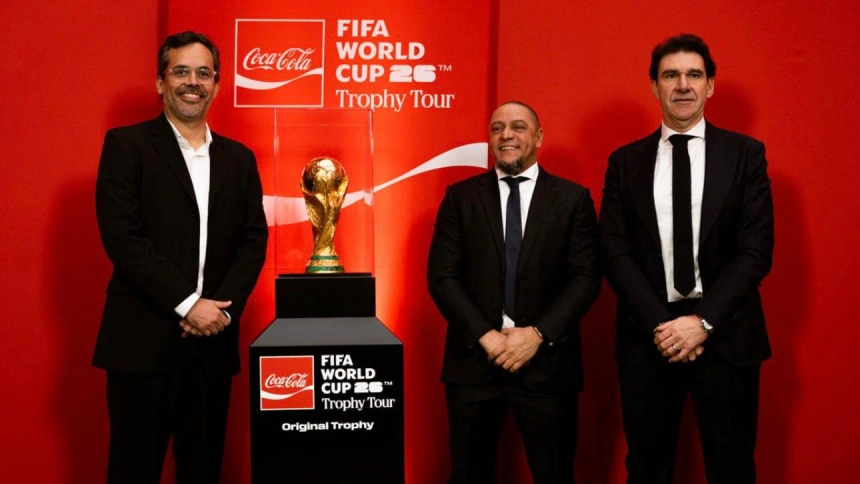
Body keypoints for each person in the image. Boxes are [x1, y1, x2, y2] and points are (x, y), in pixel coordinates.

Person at [93, 31, 268, 484]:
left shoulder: (240, 159)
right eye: (182, 72)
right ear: (160, 82)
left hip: (212, 344)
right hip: (141, 344)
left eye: (204, 73)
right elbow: (123, 238)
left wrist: (221, 312)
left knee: (203, 471)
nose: (194, 82)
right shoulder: (126, 146)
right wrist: (190, 304)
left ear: (218, 84)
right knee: (133, 470)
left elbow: (253, 241)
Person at [599, 34, 774, 483]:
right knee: (647, 468)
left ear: (710, 85)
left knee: (732, 467)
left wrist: (701, 323)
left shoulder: (746, 156)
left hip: (726, 333)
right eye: (670, 75)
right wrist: (664, 325)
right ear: (654, 86)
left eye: (694, 75)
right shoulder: (624, 163)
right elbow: (614, 251)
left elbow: (755, 252)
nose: (682, 85)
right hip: (649, 336)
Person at [428, 101, 600, 483]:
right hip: (474, 364)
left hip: (548, 366)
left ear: (538, 137)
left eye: (518, 127)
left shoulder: (573, 200)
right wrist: (485, 336)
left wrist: (537, 335)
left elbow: (586, 278)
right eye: (497, 128)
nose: (506, 135)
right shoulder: (460, 197)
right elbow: (442, 277)